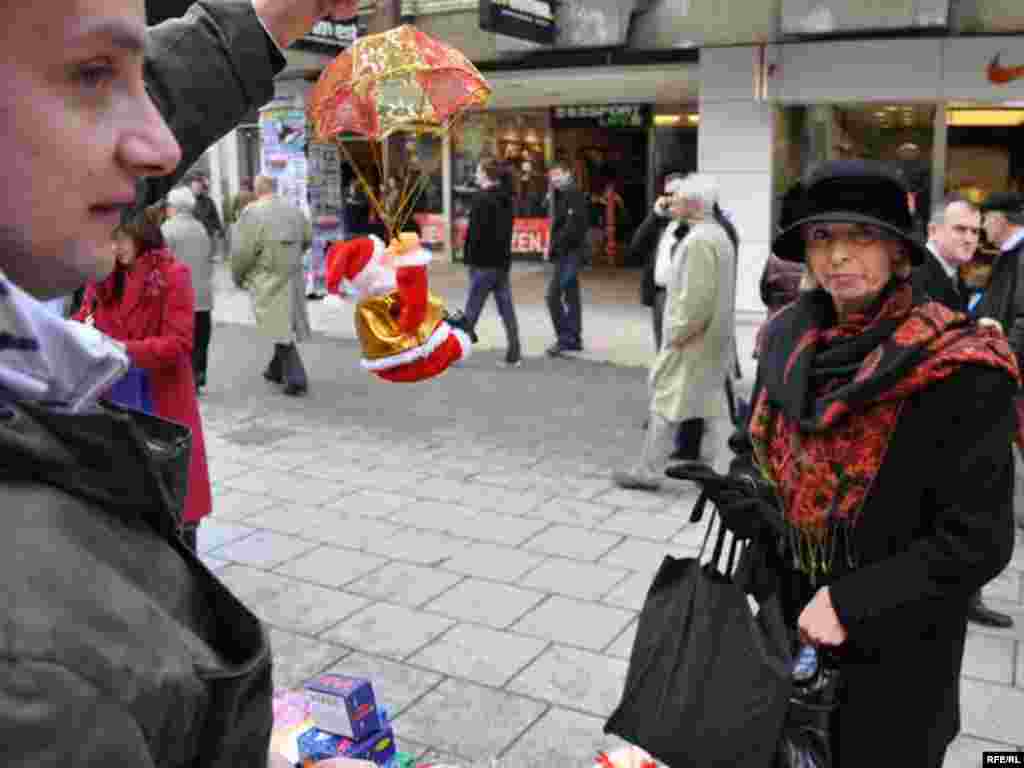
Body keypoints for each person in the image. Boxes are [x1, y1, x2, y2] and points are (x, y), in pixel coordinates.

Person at [0, 1, 361, 764]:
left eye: (136, 75)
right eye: (94, 75)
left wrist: (262, 23)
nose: (163, 147)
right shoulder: (34, 657)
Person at [720, 160, 1018, 766]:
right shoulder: (785, 338)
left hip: (896, 657)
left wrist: (853, 602)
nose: (838, 256)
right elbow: (754, 445)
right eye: (822, 237)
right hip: (786, 631)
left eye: (860, 236)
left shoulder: (959, 367)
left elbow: (980, 539)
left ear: (899, 254)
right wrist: (743, 491)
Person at [75, 210, 213, 543]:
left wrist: (121, 349)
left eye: (120, 238)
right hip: (115, 394)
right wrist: (77, 335)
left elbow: (180, 343)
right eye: (109, 239)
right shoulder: (103, 276)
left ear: (140, 233)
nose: (115, 247)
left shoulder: (173, 275)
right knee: (128, 498)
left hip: (159, 395)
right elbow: (85, 316)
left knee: (173, 495)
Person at [612, 174, 737, 491]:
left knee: (666, 401)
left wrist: (675, 335)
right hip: (711, 338)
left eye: (678, 198)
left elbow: (694, 301)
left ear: (693, 205)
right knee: (714, 406)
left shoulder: (698, 242)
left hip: (692, 340)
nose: (672, 203)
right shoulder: (717, 235)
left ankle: (648, 471)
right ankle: (725, 468)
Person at [232, 174, 314, 396]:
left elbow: (242, 252)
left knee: (278, 326)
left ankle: (296, 377)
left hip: (268, 277)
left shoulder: (252, 213)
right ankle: (275, 369)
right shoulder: (294, 210)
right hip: (293, 275)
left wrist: (238, 276)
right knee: (280, 324)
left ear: (258, 190)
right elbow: (308, 238)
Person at [459, 157, 521, 367]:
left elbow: (475, 235)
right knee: (507, 311)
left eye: (478, 170)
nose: (476, 174)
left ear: (486, 174)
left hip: (483, 263)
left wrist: (468, 259)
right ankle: (514, 354)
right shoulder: (507, 199)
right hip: (501, 263)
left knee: (472, 310)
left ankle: (455, 351)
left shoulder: (482, 199)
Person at [162, 185, 215, 391]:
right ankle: (199, 372)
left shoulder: (167, 229)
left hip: (179, 294)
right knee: (201, 336)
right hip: (202, 294)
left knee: (181, 338)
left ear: (174, 206)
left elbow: (162, 262)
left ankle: (185, 377)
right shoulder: (200, 228)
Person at [545, 159, 588, 356]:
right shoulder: (563, 194)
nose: (553, 179)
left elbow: (572, 227)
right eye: (551, 176)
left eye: (556, 175)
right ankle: (574, 337)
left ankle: (566, 338)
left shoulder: (573, 194)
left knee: (553, 295)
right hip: (567, 252)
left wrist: (553, 246)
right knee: (571, 296)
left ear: (567, 173)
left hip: (569, 253)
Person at [190, 172, 225, 254]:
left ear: (202, 188)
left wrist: (220, 229)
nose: (197, 189)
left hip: (208, 235)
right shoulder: (189, 202)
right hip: (194, 237)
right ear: (192, 188)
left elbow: (215, 216)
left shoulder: (209, 201)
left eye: (199, 187)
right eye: (195, 187)